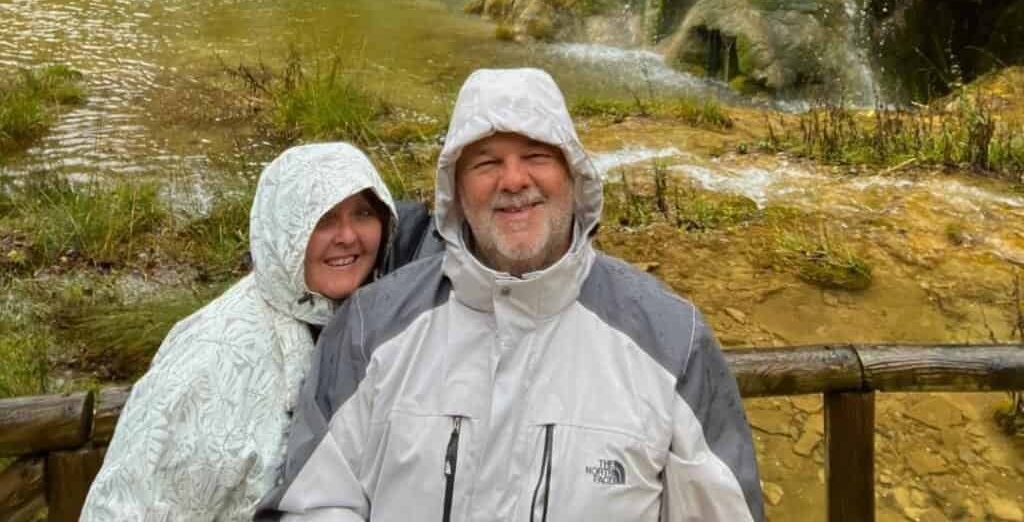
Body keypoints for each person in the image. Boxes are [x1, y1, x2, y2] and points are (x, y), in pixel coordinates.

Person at [257, 68, 764, 521]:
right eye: (486, 163)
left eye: (537, 156)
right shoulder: (369, 327)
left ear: (575, 176)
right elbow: (314, 502)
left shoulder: (673, 339)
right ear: (454, 191)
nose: (514, 180)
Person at [81, 141, 438, 522]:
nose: (348, 236)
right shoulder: (214, 358)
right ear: (284, 229)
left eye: (363, 213)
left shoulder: (376, 320)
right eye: (324, 218)